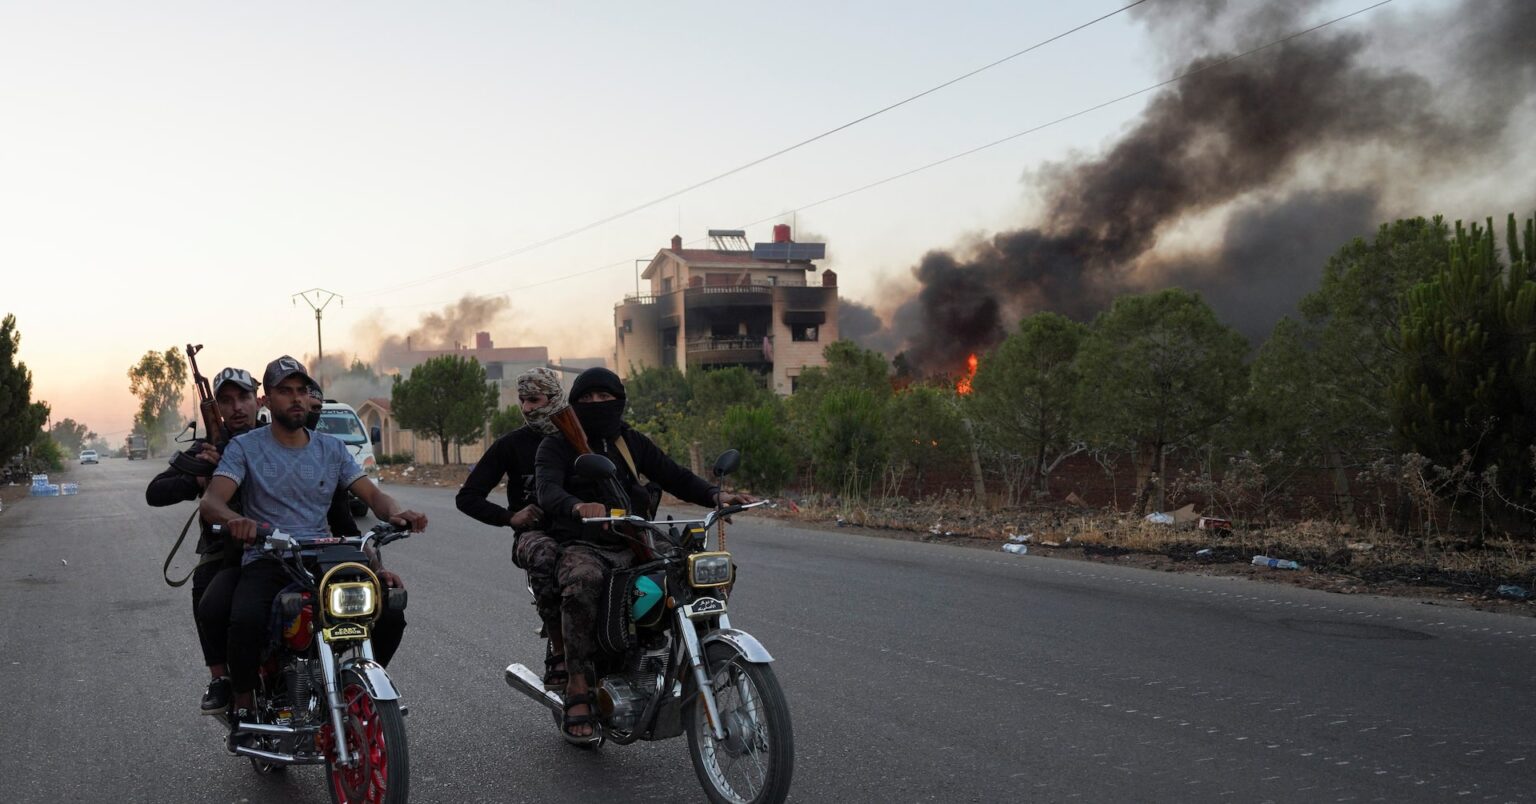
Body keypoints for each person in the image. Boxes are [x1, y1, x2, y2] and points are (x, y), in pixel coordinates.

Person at [535, 367, 756, 743]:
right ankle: (577, 684)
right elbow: (547, 490)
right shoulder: (555, 446)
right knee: (583, 580)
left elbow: (674, 475)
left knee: (704, 568)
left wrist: (715, 495)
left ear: (619, 401)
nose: (596, 403)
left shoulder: (631, 441)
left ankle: (694, 657)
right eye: (586, 398)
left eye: (604, 397)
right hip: (584, 543)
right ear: (574, 403)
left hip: (637, 535)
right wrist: (577, 506)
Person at [200, 356, 427, 715]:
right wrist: (236, 520)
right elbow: (212, 502)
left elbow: (372, 495)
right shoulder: (245, 448)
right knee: (245, 620)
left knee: (389, 612)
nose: (295, 398)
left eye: (301, 391)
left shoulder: (331, 448)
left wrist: (396, 513)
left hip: (324, 554)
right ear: (267, 399)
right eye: (284, 391)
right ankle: (244, 707)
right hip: (270, 556)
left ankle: (358, 689)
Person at [145, 367, 260, 713]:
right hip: (222, 548)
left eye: (243, 397)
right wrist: (200, 479)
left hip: (273, 542)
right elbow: (155, 492)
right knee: (204, 591)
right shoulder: (208, 447)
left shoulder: (273, 439)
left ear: (258, 400)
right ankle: (220, 677)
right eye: (226, 401)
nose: (237, 407)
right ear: (217, 409)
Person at [455, 367, 564, 687]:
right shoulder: (512, 444)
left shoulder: (579, 436)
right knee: (545, 557)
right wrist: (510, 517)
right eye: (522, 401)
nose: (527, 408)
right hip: (537, 535)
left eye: (535, 400)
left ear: (555, 398)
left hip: (581, 529)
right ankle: (560, 651)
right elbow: (468, 497)